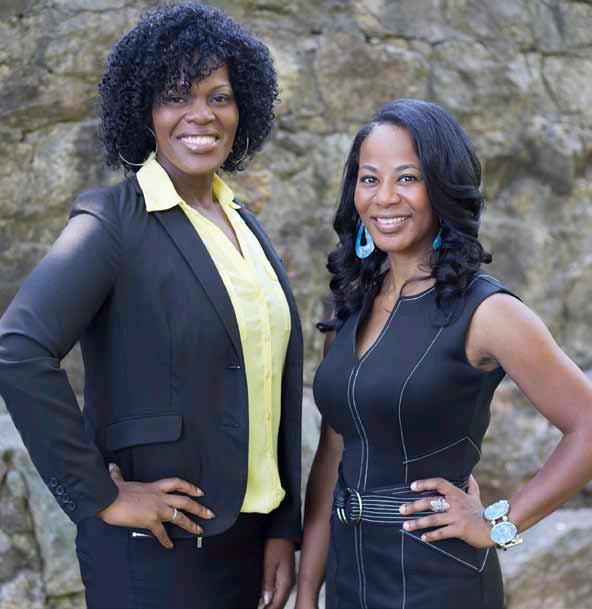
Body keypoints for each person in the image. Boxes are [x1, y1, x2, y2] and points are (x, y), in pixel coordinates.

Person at [0, 4, 302, 609]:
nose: (201, 115)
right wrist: (101, 495)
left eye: (219, 97)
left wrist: (281, 527)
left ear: (242, 110)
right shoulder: (110, 223)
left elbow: (269, 384)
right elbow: (19, 349)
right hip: (154, 551)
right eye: (175, 97)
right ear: (145, 111)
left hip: (245, 544)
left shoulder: (245, 225)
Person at [295, 98, 592, 609]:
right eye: (369, 179)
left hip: (438, 581)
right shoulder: (348, 305)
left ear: (442, 187)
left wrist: (498, 522)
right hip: (349, 579)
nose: (385, 197)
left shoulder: (487, 310)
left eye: (407, 178)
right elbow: (333, 454)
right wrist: (307, 592)